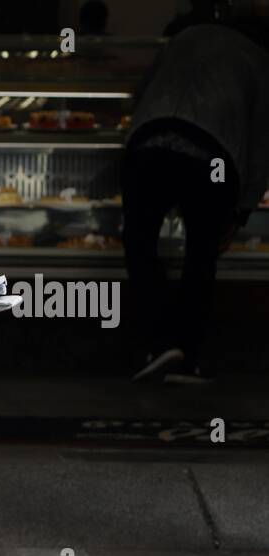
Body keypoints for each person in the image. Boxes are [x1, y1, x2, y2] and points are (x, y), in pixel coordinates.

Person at [125, 18, 269, 384]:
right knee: (201, 254)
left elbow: (139, 93)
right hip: (213, 156)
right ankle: (187, 356)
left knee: (139, 243)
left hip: (148, 143)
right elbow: (261, 144)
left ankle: (159, 345)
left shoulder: (184, 37)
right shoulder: (258, 59)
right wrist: (241, 212)